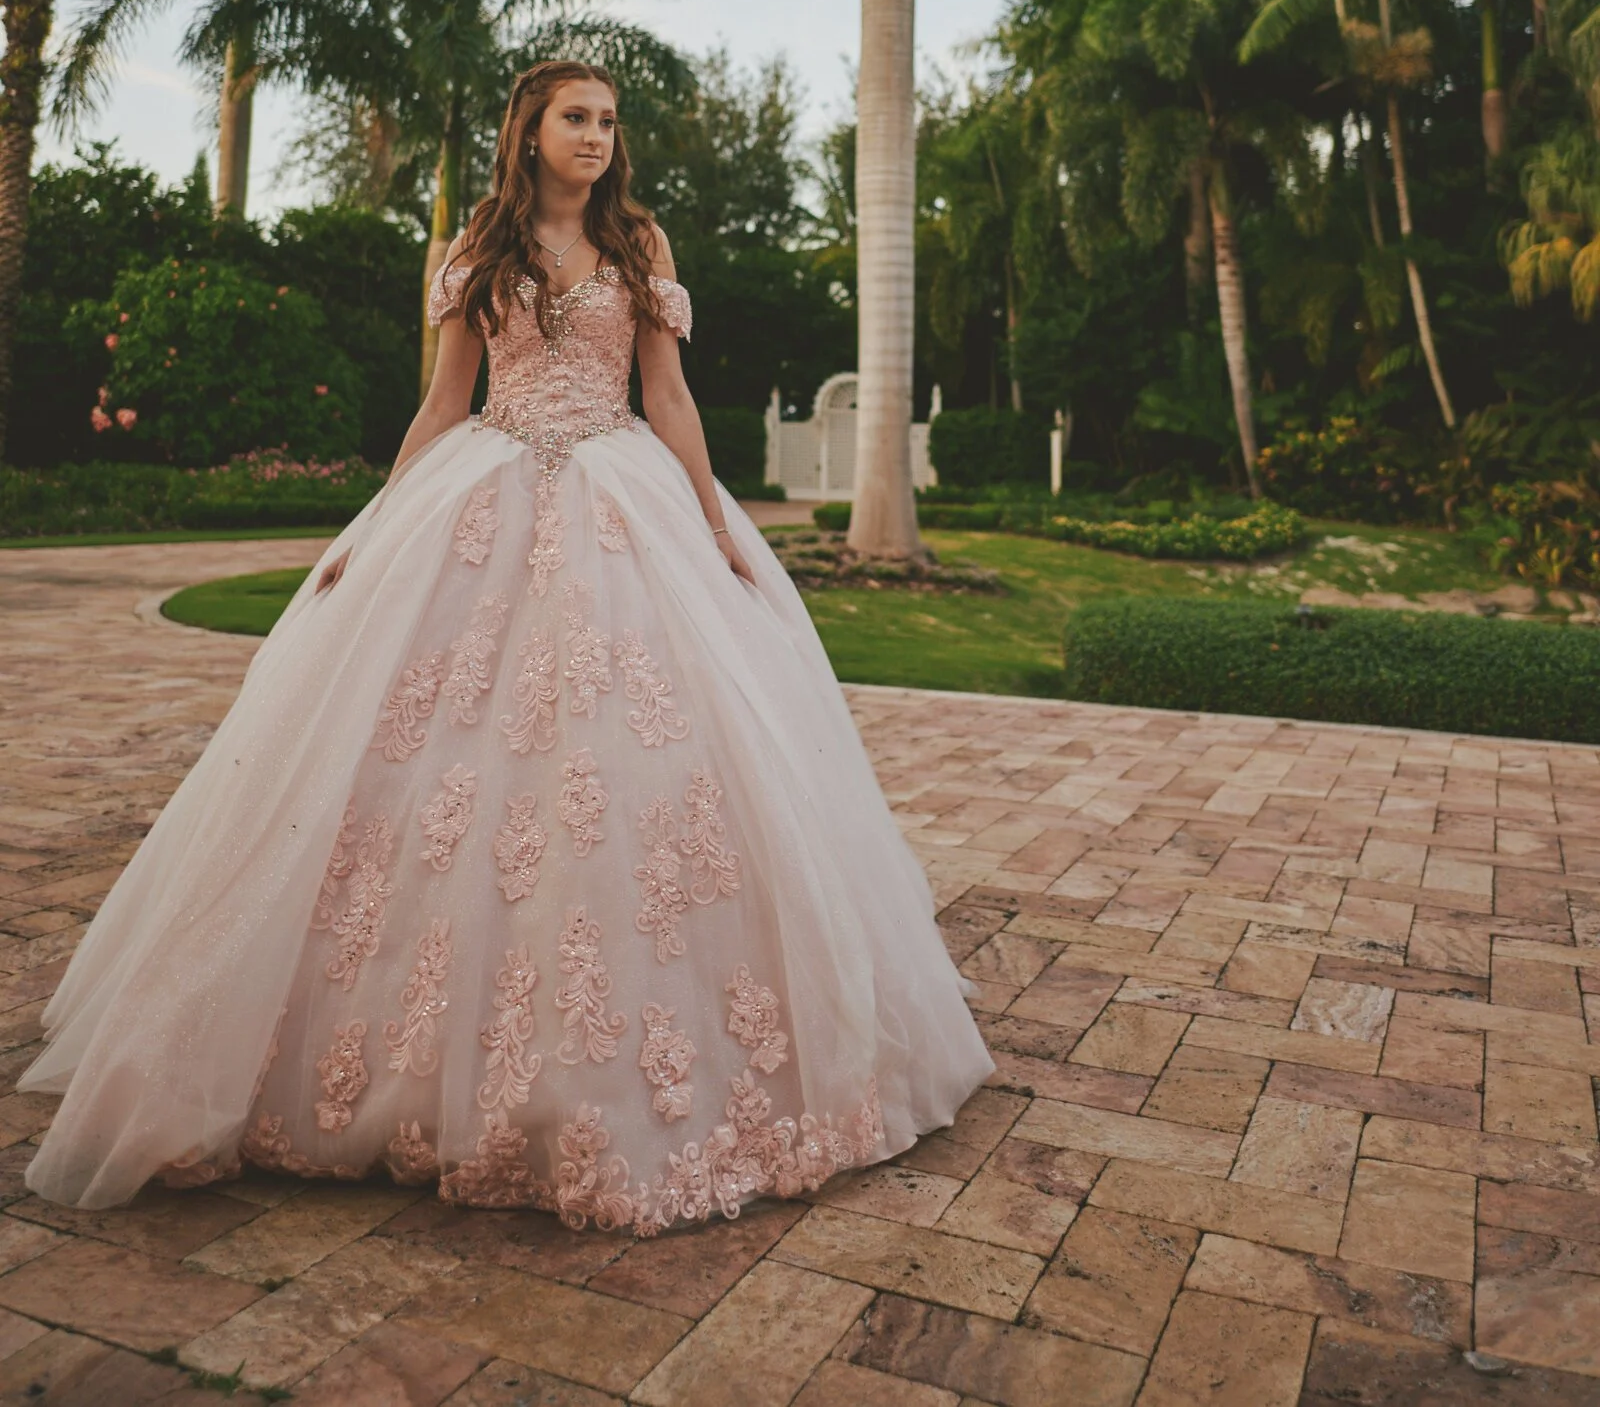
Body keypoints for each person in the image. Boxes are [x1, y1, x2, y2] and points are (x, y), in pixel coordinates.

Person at [22, 60, 992, 1224]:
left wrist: (709, 519)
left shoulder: (640, 243)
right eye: (575, 118)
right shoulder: (478, 250)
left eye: (607, 120)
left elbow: (667, 394)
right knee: (433, 761)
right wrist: (374, 524)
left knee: (629, 756)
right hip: (482, 494)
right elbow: (443, 404)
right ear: (528, 131)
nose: (596, 135)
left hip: (624, 497)